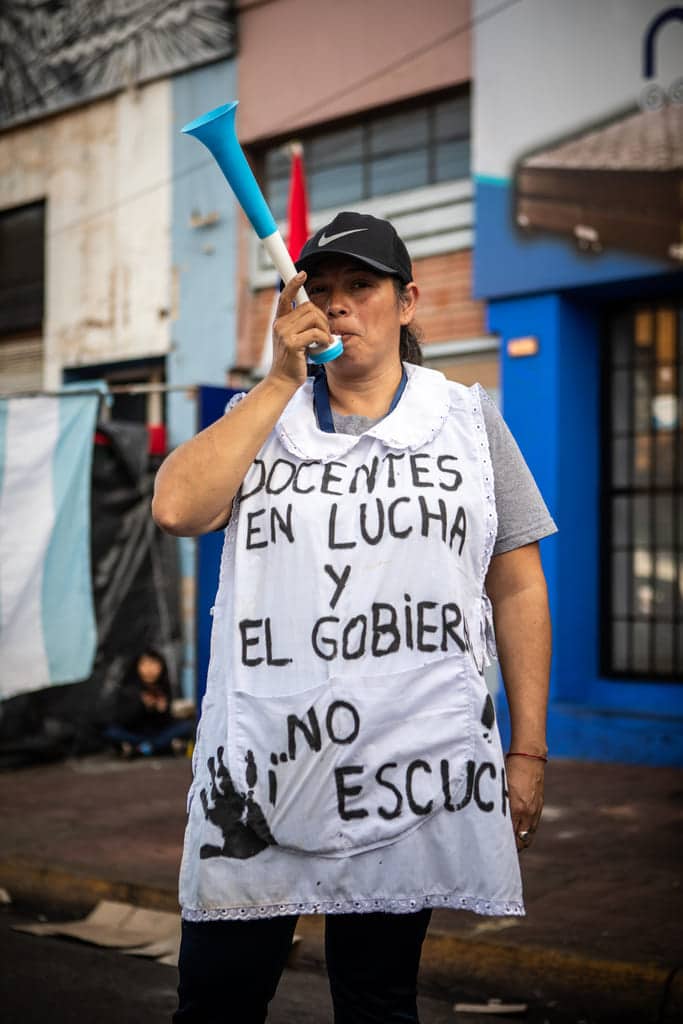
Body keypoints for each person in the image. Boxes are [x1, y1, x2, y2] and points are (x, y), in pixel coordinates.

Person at [152, 211, 557, 1023]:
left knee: (376, 1000)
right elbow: (176, 508)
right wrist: (273, 383)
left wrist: (528, 751)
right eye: (320, 289)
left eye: (360, 288)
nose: (336, 306)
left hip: (404, 775)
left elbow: (516, 586)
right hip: (262, 781)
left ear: (406, 303)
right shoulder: (262, 418)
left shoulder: (467, 424)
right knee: (216, 999)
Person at [104, 648, 193, 757]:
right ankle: (155, 748)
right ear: (137, 666)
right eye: (145, 664)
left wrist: (161, 710)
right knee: (111, 732)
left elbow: (165, 723)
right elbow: (124, 720)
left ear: (161, 666)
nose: (149, 669)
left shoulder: (164, 687)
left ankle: (140, 749)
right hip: (134, 733)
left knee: (187, 726)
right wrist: (142, 705)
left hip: (157, 734)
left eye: (154, 664)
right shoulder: (129, 688)